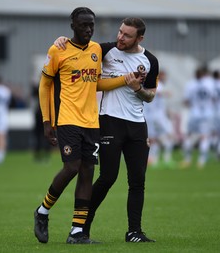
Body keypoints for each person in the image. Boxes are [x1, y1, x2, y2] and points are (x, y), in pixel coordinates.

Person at [33, 7, 141, 245]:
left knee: (87, 173)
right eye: (83, 25)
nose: (89, 29)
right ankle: (42, 211)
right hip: (67, 119)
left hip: (92, 122)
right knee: (71, 168)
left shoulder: (97, 50)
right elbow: (44, 86)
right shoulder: (58, 50)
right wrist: (46, 120)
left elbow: (95, 84)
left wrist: (124, 80)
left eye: (91, 25)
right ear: (73, 25)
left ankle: (77, 232)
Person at [54, 17, 159, 243]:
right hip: (109, 121)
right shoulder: (104, 51)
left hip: (137, 126)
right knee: (108, 177)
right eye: (120, 32)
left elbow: (150, 96)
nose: (120, 37)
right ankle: (81, 228)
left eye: (127, 35)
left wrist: (137, 88)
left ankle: (134, 232)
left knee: (138, 180)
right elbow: (78, 48)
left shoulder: (150, 60)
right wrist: (61, 40)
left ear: (139, 38)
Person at [180, 67, 216, 169]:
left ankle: (187, 160)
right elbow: (214, 98)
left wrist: (192, 105)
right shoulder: (210, 83)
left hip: (195, 113)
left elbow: (186, 101)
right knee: (204, 137)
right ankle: (201, 161)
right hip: (207, 113)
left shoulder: (190, 84)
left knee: (189, 135)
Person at [144, 70, 176, 168]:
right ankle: (167, 159)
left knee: (153, 139)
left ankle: (153, 159)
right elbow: (161, 93)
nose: (164, 78)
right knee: (170, 135)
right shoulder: (158, 85)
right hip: (158, 116)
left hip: (149, 116)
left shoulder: (145, 86)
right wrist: (167, 93)